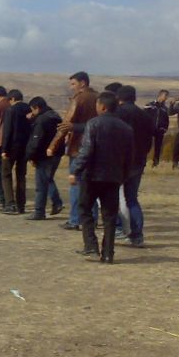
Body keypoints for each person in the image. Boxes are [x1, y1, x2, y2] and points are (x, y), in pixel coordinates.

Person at [69, 92, 133, 263]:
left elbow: (86, 151)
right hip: (113, 178)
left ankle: (91, 247)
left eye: (97, 105)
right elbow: (129, 157)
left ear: (103, 106)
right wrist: (123, 176)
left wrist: (75, 170)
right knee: (110, 216)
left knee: (84, 209)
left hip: (92, 176)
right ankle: (108, 253)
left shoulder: (94, 124)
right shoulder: (126, 128)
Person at [48, 72, 99, 230]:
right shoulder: (99, 98)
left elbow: (66, 124)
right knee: (91, 185)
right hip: (96, 147)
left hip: (78, 146)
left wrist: (52, 145)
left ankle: (76, 219)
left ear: (82, 83)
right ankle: (92, 218)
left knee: (76, 184)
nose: (72, 88)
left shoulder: (79, 99)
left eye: (73, 84)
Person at [116, 85, 155, 246]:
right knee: (132, 199)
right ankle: (137, 236)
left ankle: (118, 230)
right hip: (138, 161)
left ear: (119, 98)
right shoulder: (144, 115)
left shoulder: (118, 113)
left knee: (114, 197)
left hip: (119, 161)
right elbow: (150, 139)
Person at [25, 97, 63, 220]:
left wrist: (30, 156)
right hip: (56, 153)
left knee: (41, 184)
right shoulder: (55, 116)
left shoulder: (42, 120)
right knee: (48, 179)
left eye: (33, 110)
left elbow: (36, 140)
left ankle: (39, 211)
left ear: (36, 107)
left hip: (44, 155)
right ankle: (56, 202)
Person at [0, 89, 32, 214]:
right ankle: (21, 205)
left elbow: (7, 130)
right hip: (25, 147)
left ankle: (10, 204)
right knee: (21, 176)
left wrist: (4, 149)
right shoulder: (29, 110)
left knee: (6, 174)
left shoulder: (11, 110)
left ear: (12, 99)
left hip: (12, 147)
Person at [144, 89, 170, 167]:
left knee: (158, 148)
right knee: (146, 147)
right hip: (149, 129)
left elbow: (166, 120)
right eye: (165, 96)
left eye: (167, 96)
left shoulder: (165, 108)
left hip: (160, 130)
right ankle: (143, 163)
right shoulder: (149, 105)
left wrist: (165, 128)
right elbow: (144, 116)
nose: (166, 98)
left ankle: (155, 164)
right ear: (160, 95)